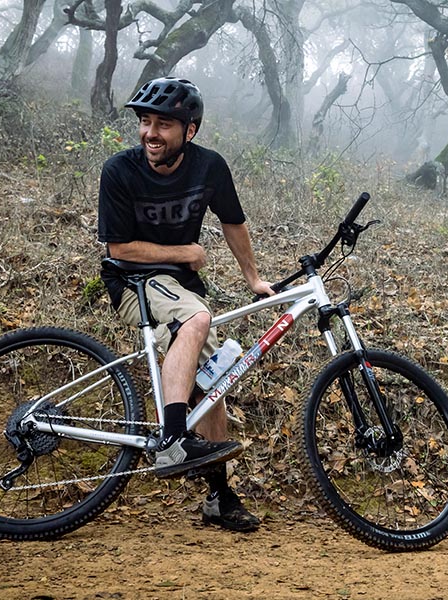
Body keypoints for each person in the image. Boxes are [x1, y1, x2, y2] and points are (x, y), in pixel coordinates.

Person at [97, 76, 273, 532]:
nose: (150, 134)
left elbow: (233, 222)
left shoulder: (209, 168)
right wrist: (185, 253)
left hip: (182, 287)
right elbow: (117, 249)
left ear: (189, 131)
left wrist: (253, 279)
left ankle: (219, 497)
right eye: (145, 123)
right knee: (196, 317)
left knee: (214, 387)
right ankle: (172, 440)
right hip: (133, 282)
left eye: (163, 125)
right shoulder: (119, 171)